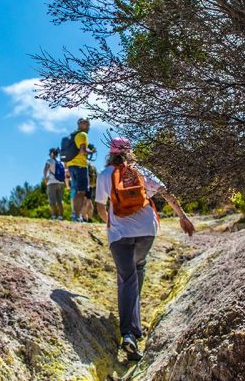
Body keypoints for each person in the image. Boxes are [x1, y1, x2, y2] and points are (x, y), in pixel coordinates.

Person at [95, 137, 195, 362]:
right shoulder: (140, 171)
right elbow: (165, 192)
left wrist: (111, 224)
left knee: (127, 277)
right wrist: (183, 217)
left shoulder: (104, 175)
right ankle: (136, 328)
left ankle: (129, 334)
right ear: (130, 152)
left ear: (110, 153)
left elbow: (100, 207)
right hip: (146, 231)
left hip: (120, 235)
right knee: (137, 268)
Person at [66, 118, 96, 222]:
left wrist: (89, 150)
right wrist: (91, 152)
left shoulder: (73, 135)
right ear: (81, 124)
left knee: (76, 191)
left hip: (71, 165)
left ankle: (75, 215)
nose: (88, 127)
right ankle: (76, 216)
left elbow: (80, 149)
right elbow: (83, 151)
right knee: (81, 192)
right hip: (80, 166)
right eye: (87, 124)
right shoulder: (82, 135)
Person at [43, 148, 66, 220]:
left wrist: (45, 178)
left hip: (52, 182)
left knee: (52, 200)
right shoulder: (61, 162)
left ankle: (53, 216)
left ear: (52, 153)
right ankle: (61, 216)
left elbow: (45, 170)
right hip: (61, 182)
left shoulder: (49, 161)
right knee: (60, 200)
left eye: (50, 153)